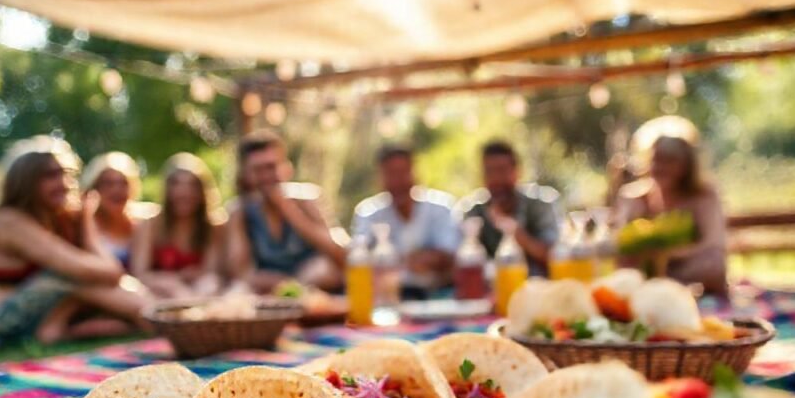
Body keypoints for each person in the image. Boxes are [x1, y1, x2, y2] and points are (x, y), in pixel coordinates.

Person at [0, 138, 148, 345]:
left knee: (76, 282)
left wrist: (85, 223)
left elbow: (109, 273)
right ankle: (154, 316)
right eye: (50, 176)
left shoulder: (56, 216)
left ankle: (151, 315)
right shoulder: (9, 221)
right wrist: (88, 226)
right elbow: (106, 271)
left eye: (66, 174)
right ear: (25, 181)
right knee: (66, 277)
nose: (63, 184)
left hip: (35, 316)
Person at [225, 130, 345, 293]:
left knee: (324, 270)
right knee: (239, 289)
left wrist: (289, 210)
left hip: (315, 288)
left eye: (271, 167)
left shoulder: (307, 198)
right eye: (258, 170)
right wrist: (285, 284)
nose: (266, 176)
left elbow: (340, 255)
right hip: (269, 292)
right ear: (246, 174)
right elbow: (240, 273)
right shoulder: (239, 211)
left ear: (287, 167)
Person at [618, 135, 728, 295]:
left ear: (686, 165)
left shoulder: (704, 195)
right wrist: (630, 213)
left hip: (689, 268)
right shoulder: (637, 196)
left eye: (669, 161)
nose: (661, 167)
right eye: (656, 160)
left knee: (714, 262)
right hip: (650, 271)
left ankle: (665, 287)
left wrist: (669, 255)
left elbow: (713, 243)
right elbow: (622, 243)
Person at [351, 145, 460, 292]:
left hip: (438, 293)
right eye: (391, 174)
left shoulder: (441, 207)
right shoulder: (368, 212)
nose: (397, 182)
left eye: (402, 173)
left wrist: (395, 262)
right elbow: (359, 258)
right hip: (386, 296)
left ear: (415, 173)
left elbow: (450, 256)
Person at [458, 140, 561, 276]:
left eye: (502, 170)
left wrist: (516, 234)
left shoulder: (540, 203)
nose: (496, 179)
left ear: (517, 171)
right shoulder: (473, 211)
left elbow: (555, 257)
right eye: (489, 172)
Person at [131, 153, 226, 299]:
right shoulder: (150, 225)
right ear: (167, 190)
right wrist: (173, 281)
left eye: (192, 186)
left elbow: (211, 272)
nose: (184, 193)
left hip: (199, 293)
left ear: (202, 193)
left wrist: (191, 280)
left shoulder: (213, 226)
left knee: (210, 284)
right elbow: (140, 273)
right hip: (158, 293)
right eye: (176, 185)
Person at [80, 152, 141, 268]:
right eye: (108, 183)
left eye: (123, 183)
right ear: (94, 188)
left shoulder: (140, 226)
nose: (116, 190)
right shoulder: (84, 225)